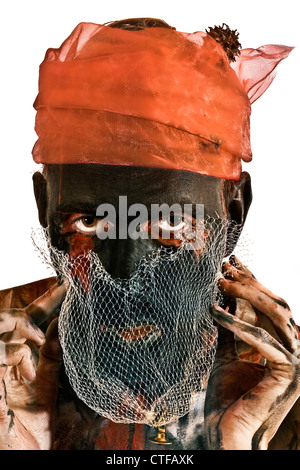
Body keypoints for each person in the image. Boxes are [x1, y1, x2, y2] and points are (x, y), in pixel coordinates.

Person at [0, 18, 299, 451]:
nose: (124, 274)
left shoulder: (285, 387)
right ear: (45, 211)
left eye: (169, 226)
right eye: (89, 223)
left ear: (233, 215)